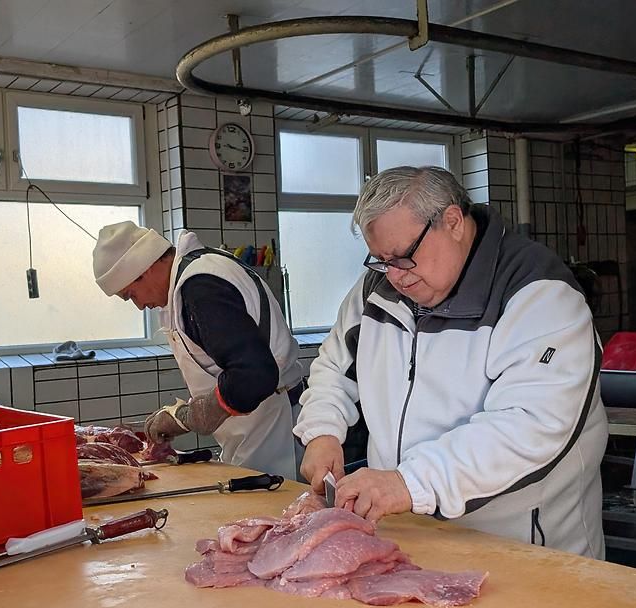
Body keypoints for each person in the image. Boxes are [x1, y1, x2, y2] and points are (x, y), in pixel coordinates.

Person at [294, 166, 607, 558]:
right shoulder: (378, 290)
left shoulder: (538, 294)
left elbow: (530, 425)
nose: (395, 276)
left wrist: (407, 482)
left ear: (453, 222)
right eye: (380, 260)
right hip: (410, 535)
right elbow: (333, 367)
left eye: (404, 257)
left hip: (525, 547)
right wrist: (323, 431)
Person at [92, 222, 303, 478]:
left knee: (279, 514)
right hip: (255, 422)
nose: (139, 306)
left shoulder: (201, 287)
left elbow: (254, 374)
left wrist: (191, 416)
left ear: (144, 269)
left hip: (272, 421)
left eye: (131, 294)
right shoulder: (195, 275)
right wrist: (189, 413)